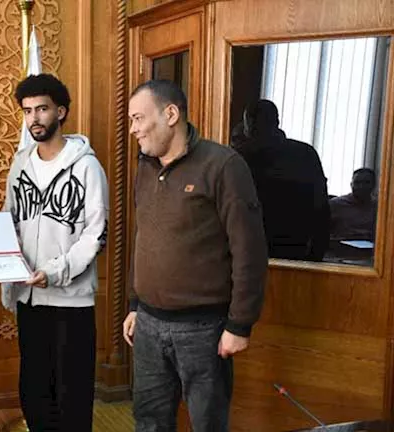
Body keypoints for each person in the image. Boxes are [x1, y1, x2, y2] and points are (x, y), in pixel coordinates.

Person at [122, 80, 267, 431]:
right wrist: (135, 303)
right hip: (148, 325)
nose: (133, 129)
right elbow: (144, 236)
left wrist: (239, 325)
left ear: (171, 114)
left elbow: (249, 250)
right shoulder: (146, 166)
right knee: (149, 422)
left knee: (207, 424)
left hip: (203, 329)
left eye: (139, 118)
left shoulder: (223, 165)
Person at [1, 73, 109, 432]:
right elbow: (8, 222)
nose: (34, 118)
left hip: (70, 299)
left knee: (71, 392)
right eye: (27, 111)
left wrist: (56, 271)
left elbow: (96, 233)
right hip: (29, 296)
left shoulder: (87, 166)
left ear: (60, 112)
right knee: (34, 389)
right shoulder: (20, 164)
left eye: (42, 109)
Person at [233, 99, 330, 261]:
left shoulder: (302, 155)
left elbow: (320, 205)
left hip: (290, 242)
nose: (254, 130)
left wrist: (317, 252)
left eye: (258, 125)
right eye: (252, 125)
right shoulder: (239, 157)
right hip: (248, 242)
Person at [329, 168, 377, 241]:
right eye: (357, 183)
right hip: (342, 245)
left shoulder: (379, 207)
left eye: (366, 183)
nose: (361, 186)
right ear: (351, 185)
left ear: (373, 185)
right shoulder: (335, 204)